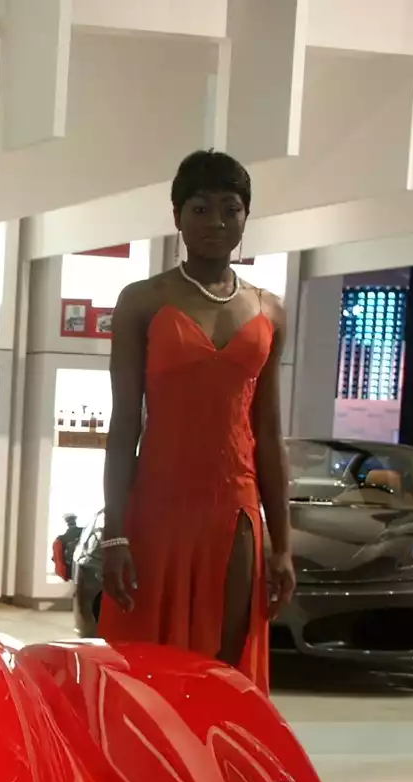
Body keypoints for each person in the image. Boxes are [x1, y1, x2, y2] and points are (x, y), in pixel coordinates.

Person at [95, 150, 291, 691]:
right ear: (178, 216)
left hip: (235, 509)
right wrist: (114, 534)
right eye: (201, 209)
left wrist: (282, 544)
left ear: (246, 217)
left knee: (225, 671)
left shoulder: (269, 310)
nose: (216, 222)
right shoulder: (142, 301)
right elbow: (124, 426)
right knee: (151, 670)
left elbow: (269, 433)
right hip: (158, 508)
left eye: (231, 209)